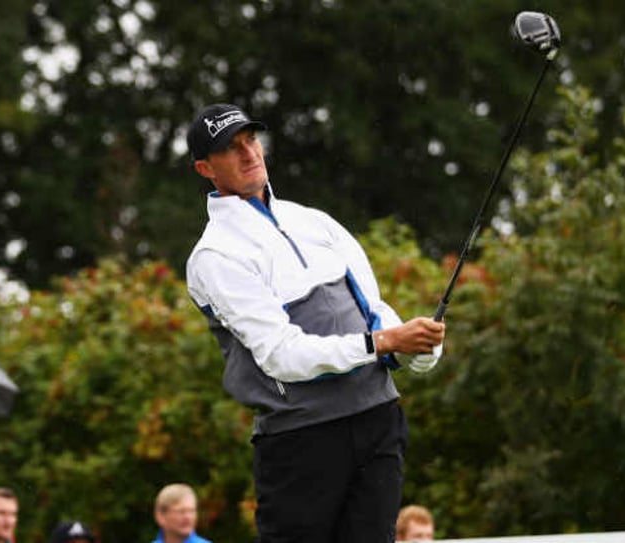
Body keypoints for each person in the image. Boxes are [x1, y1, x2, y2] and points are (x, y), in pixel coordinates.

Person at [183, 103, 446, 543]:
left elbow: (375, 310)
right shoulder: (215, 255)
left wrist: (420, 348)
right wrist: (383, 342)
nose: (249, 153)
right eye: (231, 149)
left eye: (251, 140)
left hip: (377, 418)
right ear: (205, 168)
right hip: (300, 440)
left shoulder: (316, 222)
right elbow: (282, 355)